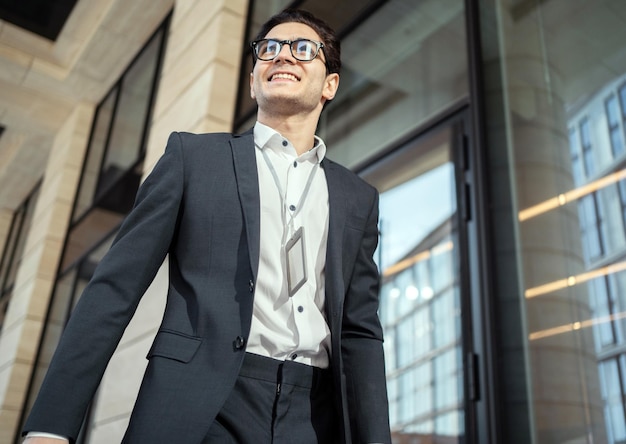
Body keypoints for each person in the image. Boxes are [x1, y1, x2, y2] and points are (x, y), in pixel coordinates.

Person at [23, 8, 391, 444]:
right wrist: (51, 425)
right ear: (254, 79)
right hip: (202, 404)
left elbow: (360, 333)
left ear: (330, 84)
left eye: (302, 49)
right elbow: (114, 289)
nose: (283, 57)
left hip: (314, 413)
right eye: (268, 50)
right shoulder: (192, 159)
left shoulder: (358, 197)